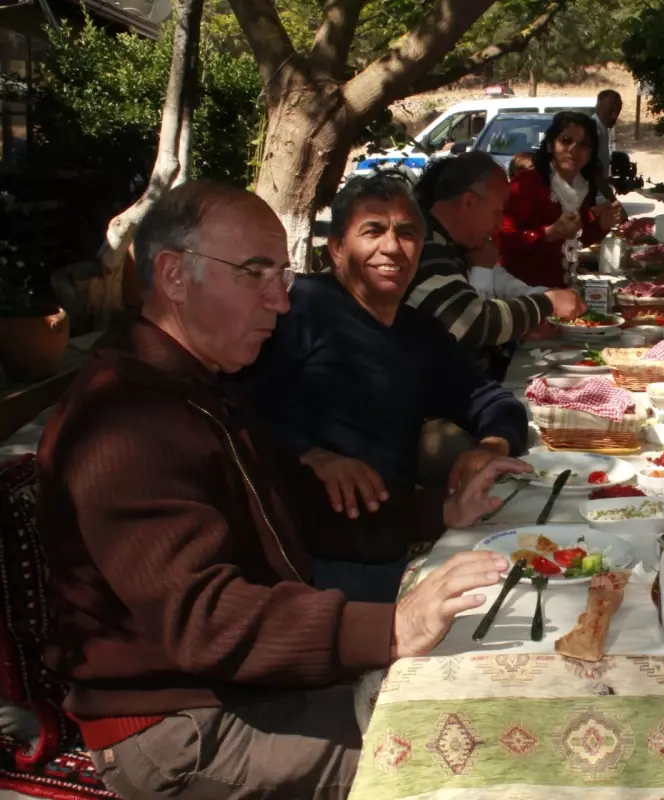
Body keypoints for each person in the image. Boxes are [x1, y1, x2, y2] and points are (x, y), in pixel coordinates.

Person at [35, 180, 528, 799]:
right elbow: (206, 618)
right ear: (174, 276)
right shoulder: (127, 419)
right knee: (465, 762)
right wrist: (393, 627)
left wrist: (440, 510)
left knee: (491, 706)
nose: (281, 301)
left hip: (250, 689)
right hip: (177, 730)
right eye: (254, 273)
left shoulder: (204, 385)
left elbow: (301, 501)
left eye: (282, 274)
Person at [243, 173, 531, 598]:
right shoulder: (297, 310)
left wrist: (491, 446)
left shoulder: (417, 332)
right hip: (309, 562)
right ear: (337, 249)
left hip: (395, 536)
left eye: (407, 233)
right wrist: (309, 454)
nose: (393, 248)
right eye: (373, 231)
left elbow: (493, 400)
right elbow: (232, 408)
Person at [404, 153, 585, 363]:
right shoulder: (425, 243)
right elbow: (470, 321)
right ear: (469, 202)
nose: (500, 223)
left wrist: (521, 324)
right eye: (498, 211)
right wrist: (546, 304)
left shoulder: (452, 243)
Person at [496, 111, 623, 289]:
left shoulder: (581, 187)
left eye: (583, 144)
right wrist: (549, 233)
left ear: (591, 153)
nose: (573, 149)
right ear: (550, 145)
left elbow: (574, 241)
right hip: (523, 294)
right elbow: (501, 241)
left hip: (561, 291)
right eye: (565, 140)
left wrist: (601, 225)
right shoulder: (527, 184)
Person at [592, 89, 623, 192]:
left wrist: (612, 181)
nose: (615, 116)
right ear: (597, 108)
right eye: (610, 111)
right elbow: (592, 171)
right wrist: (611, 199)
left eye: (617, 111)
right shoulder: (594, 129)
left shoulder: (603, 128)